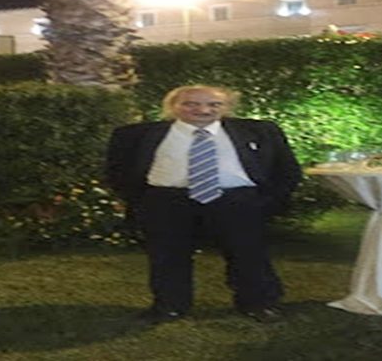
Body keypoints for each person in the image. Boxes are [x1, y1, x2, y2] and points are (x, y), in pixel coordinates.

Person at [106, 85, 301, 323]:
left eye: (214, 104)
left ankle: (258, 303)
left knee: (248, 254)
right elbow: (118, 171)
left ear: (227, 107)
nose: (203, 110)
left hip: (236, 202)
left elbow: (287, 169)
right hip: (167, 203)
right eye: (191, 104)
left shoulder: (260, 131)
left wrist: (268, 201)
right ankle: (169, 306)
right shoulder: (134, 134)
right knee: (167, 256)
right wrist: (141, 201)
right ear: (172, 107)